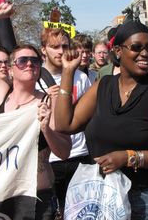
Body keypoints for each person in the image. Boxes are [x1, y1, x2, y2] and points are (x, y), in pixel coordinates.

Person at [55, 20, 148, 219]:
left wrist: (128, 157)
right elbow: (65, 124)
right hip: (106, 194)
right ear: (118, 51)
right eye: (136, 47)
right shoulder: (103, 85)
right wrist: (67, 72)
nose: (145, 53)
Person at [0, 2, 72, 219]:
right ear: (11, 68)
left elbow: (64, 152)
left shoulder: (50, 101)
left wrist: (46, 129)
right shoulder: (1, 93)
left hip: (38, 198)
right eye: (22, 61)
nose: (30, 64)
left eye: (34, 61)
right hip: (3, 195)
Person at [39, 27, 92, 213]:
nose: (61, 51)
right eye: (54, 46)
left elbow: (90, 117)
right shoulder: (35, 78)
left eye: (64, 46)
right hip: (51, 160)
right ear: (43, 49)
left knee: (82, 212)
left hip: (81, 155)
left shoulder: (81, 77)